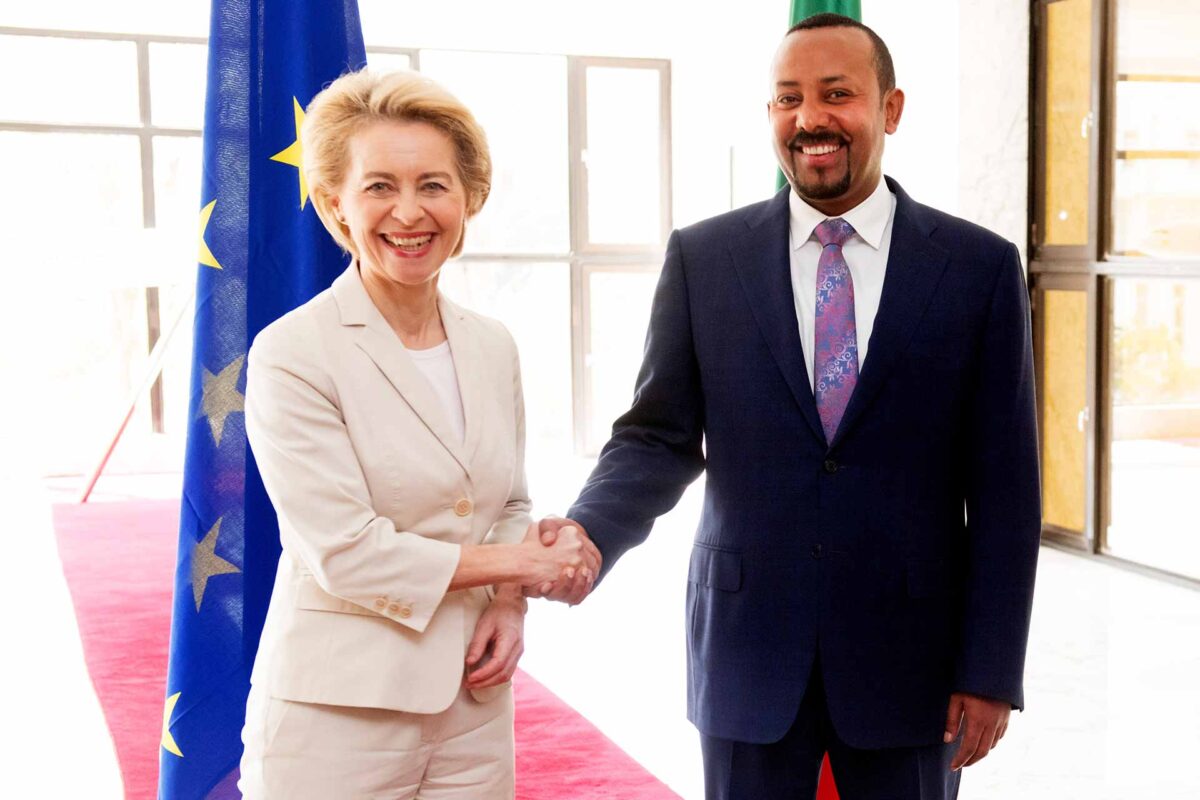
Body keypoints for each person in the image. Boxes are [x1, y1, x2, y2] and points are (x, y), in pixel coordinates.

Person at [538, 14, 1041, 800]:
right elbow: (657, 436)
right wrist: (587, 530)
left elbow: (1008, 489)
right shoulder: (705, 259)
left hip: (913, 665)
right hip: (748, 654)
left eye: (837, 94)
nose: (810, 119)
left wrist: (991, 668)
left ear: (891, 109)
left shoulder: (978, 269)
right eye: (788, 99)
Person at [238, 69, 588, 800]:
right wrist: (524, 567)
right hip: (337, 719)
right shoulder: (292, 352)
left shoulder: (493, 346)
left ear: (468, 200)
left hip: (475, 707)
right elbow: (346, 551)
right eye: (378, 187)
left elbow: (507, 506)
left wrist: (509, 603)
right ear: (334, 202)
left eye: (433, 185)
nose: (409, 211)